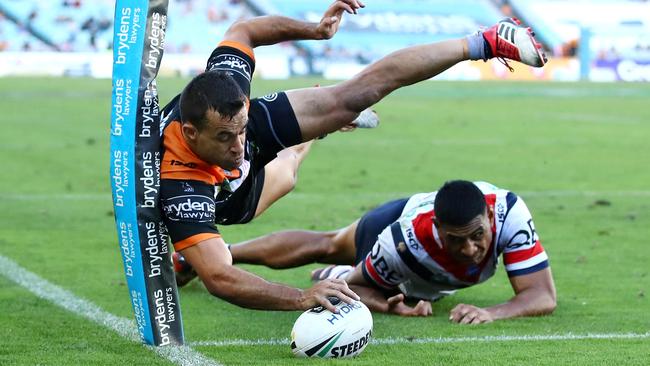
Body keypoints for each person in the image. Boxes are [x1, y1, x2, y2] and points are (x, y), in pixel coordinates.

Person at [161, 0, 549, 314]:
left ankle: (484, 41)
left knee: (352, 96)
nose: (238, 145)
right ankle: (321, 125)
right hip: (226, 197)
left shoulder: (226, 92)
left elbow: (244, 30)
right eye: (226, 137)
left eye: (240, 131)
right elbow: (221, 277)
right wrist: (300, 297)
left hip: (241, 137)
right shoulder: (182, 187)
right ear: (192, 133)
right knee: (288, 173)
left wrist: (314, 30)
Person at [226, 180, 557, 323]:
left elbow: (542, 295)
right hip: (390, 224)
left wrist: (492, 312)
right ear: (439, 229)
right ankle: (224, 254)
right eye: (457, 240)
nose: (471, 249)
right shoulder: (400, 244)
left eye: (478, 236)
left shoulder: (509, 212)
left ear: (488, 216)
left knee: (421, 291)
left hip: (431, 266)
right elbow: (354, 290)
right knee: (328, 246)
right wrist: (386, 306)